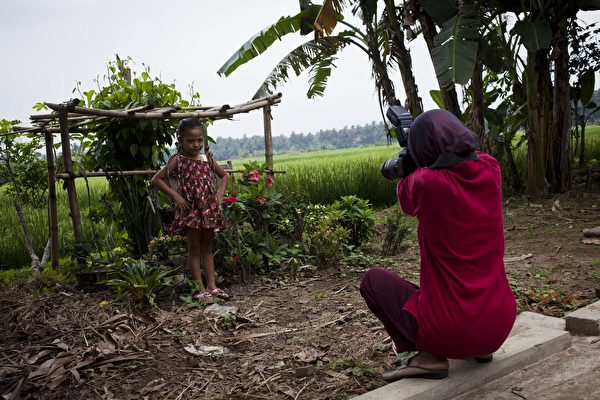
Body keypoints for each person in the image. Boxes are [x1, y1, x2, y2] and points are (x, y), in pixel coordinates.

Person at [360, 109, 517, 381]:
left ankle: (429, 356)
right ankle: (479, 350)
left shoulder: (426, 183)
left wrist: (411, 162)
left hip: (452, 330)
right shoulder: (491, 167)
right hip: (499, 325)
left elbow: (406, 198)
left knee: (372, 281)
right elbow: (463, 160)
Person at [152, 118, 229, 301]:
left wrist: (219, 196)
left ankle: (212, 286)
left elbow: (224, 176)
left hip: (208, 210)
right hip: (192, 211)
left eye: (199, 140)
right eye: (191, 141)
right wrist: (176, 196)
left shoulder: (207, 159)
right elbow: (156, 179)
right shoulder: (178, 160)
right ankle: (199, 288)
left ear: (204, 140)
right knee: (195, 248)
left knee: (208, 247)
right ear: (181, 141)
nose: (196, 145)